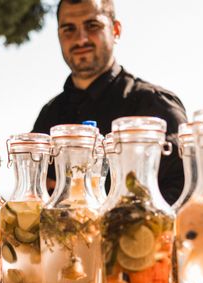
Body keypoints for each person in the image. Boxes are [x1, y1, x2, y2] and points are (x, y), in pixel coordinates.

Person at [32, 0, 188, 206]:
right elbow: (37, 194)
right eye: (69, 29)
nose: (81, 39)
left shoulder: (154, 104)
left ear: (115, 30)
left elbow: (183, 192)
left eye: (92, 26)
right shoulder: (49, 115)